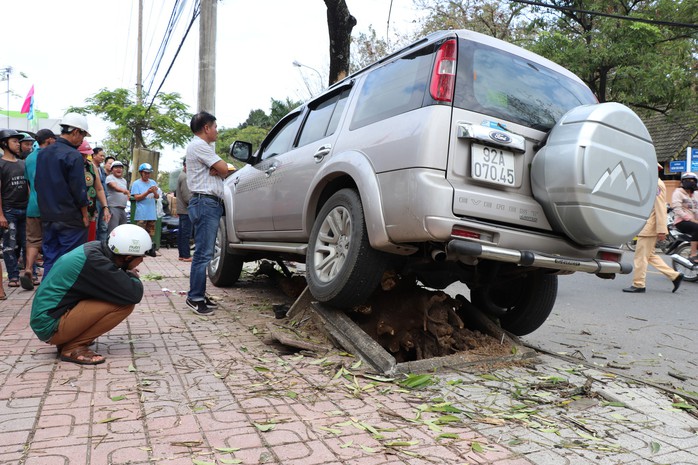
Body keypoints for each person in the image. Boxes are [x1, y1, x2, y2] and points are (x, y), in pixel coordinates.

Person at [29, 224, 151, 365]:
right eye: (141, 257)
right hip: (49, 325)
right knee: (124, 304)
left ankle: (68, 339)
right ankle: (73, 347)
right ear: (128, 257)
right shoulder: (96, 262)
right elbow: (134, 294)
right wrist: (131, 275)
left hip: (49, 317)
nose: (141, 261)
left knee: (114, 294)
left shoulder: (96, 249)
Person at [185, 112, 231, 315]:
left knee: (205, 252)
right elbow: (225, 168)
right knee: (203, 254)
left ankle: (199, 294)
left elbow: (223, 169)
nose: (217, 131)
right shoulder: (200, 146)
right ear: (206, 128)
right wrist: (220, 169)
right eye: (215, 127)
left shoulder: (200, 147)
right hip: (205, 203)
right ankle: (195, 297)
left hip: (206, 203)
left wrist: (220, 170)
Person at [35, 112, 91, 277]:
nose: (82, 141)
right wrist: (85, 215)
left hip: (48, 216)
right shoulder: (73, 155)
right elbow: (79, 189)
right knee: (70, 261)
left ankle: (47, 295)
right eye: (82, 136)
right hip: (70, 218)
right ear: (75, 132)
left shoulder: (43, 153)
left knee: (50, 258)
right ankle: (65, 297)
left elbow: (37, 184)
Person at [623, 164, 683, 293]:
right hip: (648, 225)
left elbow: (660, 208)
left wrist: (662, 230)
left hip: (649, 227)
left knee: (640, 257)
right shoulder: (652, 183)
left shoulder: (656, 185)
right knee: (649, 256)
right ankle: (675, 276)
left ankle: (639, 284)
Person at [21, 128, 57, 290]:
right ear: (49, 140)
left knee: (33, 240)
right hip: (50, 206)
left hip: (33, 206)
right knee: (51, 241)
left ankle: (29, 268)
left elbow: (29, 183)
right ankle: (50, 276)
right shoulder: (51, 156)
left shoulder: (28, 159)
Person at [0, 129, 29, 289]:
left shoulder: (23, 164)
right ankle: (13, 276)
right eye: (15, 141)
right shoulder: (1, 164)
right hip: (8, 211)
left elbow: (29, 187)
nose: (18, 144)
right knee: (10, 245)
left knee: (27, 243)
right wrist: (1, 215)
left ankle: (29, 272)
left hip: (25, 210)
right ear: (4, 143)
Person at [78, 141, 110, 242]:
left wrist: (105, 207)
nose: (84, 157)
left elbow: (99, 188)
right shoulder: (70, 164)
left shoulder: (91, 166)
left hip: (91, 209)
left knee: (91, 236)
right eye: (81, 154)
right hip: (74, 211)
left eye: (86, 155)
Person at [130, 162, 159, 257]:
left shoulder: (153, 182)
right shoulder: (136, 184)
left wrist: (154, 192)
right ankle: (140, 251)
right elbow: (137, 197)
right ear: (141, 172)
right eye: (145, 173)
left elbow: (157, 197)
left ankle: (149, 249)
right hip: (142, 213)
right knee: (141, 233)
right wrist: (147, 192)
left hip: (151, 213)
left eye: (149, 173)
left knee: (150, 233)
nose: (147, 175)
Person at [672, 172, 698, 264]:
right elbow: (677, 210)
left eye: (692, 180)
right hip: (681, 221)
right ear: (682, 182)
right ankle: (693, 254)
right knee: (696, 228)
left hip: (694, 221)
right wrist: (692, 220)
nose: (689, 182)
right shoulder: (678, 193)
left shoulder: (696, 194)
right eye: (687, 180)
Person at [105, 161, 130, 234]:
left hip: (123, 208)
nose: (119, 169)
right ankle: (109, 245)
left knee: (122, 230)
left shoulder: (124, 180)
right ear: (112, 170)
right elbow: (115, 187)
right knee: (113, 230)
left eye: (120, 167)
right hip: (113, 207)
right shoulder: (110, 178)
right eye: (116, 167)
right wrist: (125, 191)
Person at [176, 159, 192, 262]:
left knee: (182, 233)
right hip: (186, 210)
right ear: (185, 165)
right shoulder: (185, 177)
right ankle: (186, 255)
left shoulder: (181, 175)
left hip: (182, 210)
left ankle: (182, 254)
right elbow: (187, 197)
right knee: (186, 234)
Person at [92, 147, 109, 242]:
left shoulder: (102, 170)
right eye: (101, 155)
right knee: (95, 226)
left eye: (104, 156)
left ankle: (102, 247)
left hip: (104, 200)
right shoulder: (89, 167)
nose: (103, 158)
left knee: (103, 226)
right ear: (94, 155)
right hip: (94, 200)